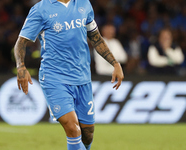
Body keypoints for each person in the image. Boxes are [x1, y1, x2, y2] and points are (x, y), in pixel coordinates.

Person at [14, 0, 124, 150]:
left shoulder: (84, 4)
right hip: (54, 78)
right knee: (73, 128)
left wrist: (115, 63)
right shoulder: (41, 9)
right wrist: (21, 66)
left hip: (82, 77)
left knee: (88, 133)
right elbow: (21, 42)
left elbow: (96, 38)